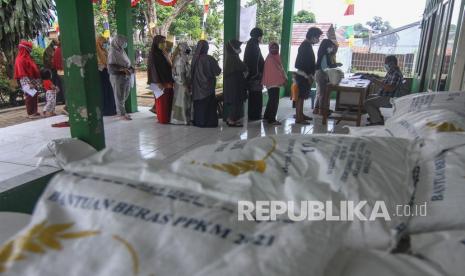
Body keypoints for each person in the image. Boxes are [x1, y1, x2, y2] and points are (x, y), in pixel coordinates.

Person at [364, 55, 404, 126]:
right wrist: (374, 78)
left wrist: (374, 80)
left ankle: (377, 122)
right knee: (369, 97)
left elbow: (390, 88)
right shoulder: (391, 72)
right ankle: (377, 117)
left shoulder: (396, 74)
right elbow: (385, 82)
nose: (385, 65)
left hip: (390, 99)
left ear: (391, 63)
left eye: (386, 63)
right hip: (385, 95)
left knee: (368, 103)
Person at [294, 27, 322, 124]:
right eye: (317, 37)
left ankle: (301, 114)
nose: (318, 39)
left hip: (305, 75)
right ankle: (298, 117)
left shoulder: (307, 45)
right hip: (303, 76)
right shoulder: (305, 46)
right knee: (300, 97)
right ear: (312, 36)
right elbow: (301, 64)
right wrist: (308, 76)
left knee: (303, 96)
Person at [191, 40, 221, 128]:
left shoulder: (194, 59)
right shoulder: (209, 59)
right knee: (209, 106)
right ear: (207, 48)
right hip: (208, 87)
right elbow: (218, 71)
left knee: (199, 105)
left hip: (196, 88)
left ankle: (199, 122)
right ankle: (209, 122)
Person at [147, 35, 174, 124]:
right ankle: (163, 119)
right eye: (162, 42)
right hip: (159, 82)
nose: (164, 44)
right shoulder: (153, 54)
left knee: (167, 100)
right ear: (156, 43)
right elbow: (153, 68)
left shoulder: (163, 52)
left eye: (164, 42)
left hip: (166, 79)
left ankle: (167, 117)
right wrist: (157, 81)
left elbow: (169, 64)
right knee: (162, 101)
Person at [108, 34, 134, 121]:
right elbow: (111, 66)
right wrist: (122, 69)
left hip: (125, 75)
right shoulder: (112, 52)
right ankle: (121, 113)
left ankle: (121, 111)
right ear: (118, 42)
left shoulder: (121, 50)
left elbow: (126, 62)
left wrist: (130, 68)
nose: (124, 43)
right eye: (123, 42)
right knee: (119, 95)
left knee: (125, 93)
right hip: (117, 76)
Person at [14, 41, 42, 119]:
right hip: (26, 80)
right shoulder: (20, 59)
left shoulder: (27, 58)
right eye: (29, 50)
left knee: (34, 95)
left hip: (32, 80)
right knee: (29, 96)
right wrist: (29, 83)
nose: (30, 51)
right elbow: (21, 73)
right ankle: (30, 113)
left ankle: (34, 111)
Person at [223, 39, 248, 127]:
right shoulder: (233, 57)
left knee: (235, 101)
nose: (239, 49)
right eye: (238, 47)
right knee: (235, 101)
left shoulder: (231, 56)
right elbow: (243, 67)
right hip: (234, 84)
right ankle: (231, 120)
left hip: (233, 83)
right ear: (233, 48)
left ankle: (231, 119)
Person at [262, 42, 287, 125]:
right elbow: (275, 73)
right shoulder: (270, 59)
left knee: (271, 100)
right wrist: (283, 80)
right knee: (274, 101)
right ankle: (271, 119)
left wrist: (283, 78)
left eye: (276, 48)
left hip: (274, 83)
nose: (274, 49)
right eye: (272, 48)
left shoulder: (275, 57)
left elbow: (280, 69)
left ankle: (266, 116)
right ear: (269, 49)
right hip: (273, 83)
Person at [244, 27, 265, 121]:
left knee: (254, 96)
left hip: (252, 76)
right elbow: (255, 62)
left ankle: (254, 115)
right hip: (254, 77)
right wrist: (256, 74)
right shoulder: (254, 45)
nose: (262, 38)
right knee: (256, 96)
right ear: (259, 36)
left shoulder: (251, 43)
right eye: (261, 36)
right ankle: (255, 115)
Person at [314, 39, 340, 116]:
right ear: (326, 46)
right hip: (321, 74)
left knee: (321, 93)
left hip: (321, 74)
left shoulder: (325, 54)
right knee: (322, 93)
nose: (331, 48)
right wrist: (335, 65)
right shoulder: (324, 54)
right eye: (330, 47)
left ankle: (319, 109)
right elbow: (325, 67)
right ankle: (322, 111)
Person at [170, 42, 192, 125]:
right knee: (182, 101)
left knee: (183, 101)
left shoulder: (182, 59)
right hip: (181, 84)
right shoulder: (180, 60)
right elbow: (180, 75)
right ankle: (182, 120)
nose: (189, 53)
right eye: (188, 51)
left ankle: (184, 118)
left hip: (182, 84)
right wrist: (185, 85)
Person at [96, 35, 117, 116]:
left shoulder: (104, 50)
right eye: (103, 42)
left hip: (107, 72)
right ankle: (106, 110)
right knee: (104, 91)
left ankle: (111, 109)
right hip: (101, 73)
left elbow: (108, 60)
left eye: (105, 42)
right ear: (98, 42)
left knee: (109, 90)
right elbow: (102, 62)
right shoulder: (96, 51)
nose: (104, 44)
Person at [52, 39, 66, 106]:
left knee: (63, 88)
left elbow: (54, 63)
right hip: (63, 72)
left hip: (59, 72)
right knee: (66, 89)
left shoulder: (57, 50)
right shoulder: (61, 50)